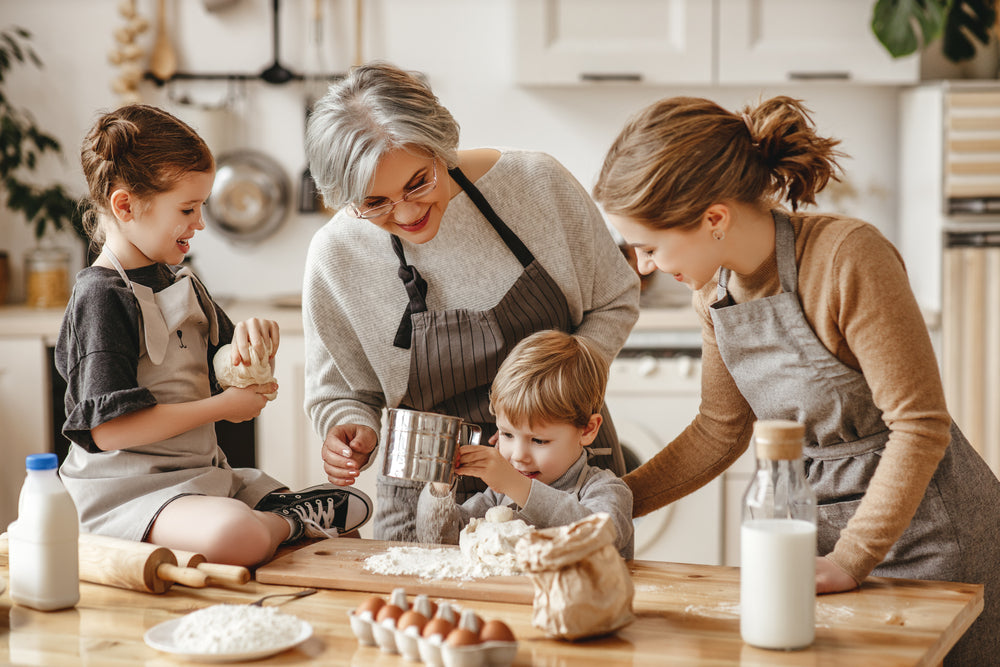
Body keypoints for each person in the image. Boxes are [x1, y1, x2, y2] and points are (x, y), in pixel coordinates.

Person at [592, 95, 1000, 664]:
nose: (642, 267)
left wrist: (851, 558)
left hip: (931, 538)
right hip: (820, 541)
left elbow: (920, 428)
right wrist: (606, 505)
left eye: (650, 247)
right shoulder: (714, 294)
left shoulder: (846, 258)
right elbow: (718, 431)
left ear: (714, 219)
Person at [303, 62, 640, 542]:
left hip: (562, 474)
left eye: (418, 182)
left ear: (441, 146)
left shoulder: (536, 186)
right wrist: (350, 428)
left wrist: (556, 393)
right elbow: (340, 390)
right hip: (426, 489)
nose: (407, 212)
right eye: (374, 204)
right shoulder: (336, 255)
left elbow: (615, 299)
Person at [56, 104, 372, 567]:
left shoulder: (183, 283)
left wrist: (253, 337)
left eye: (201, 205)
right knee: (236, 536)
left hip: (199, 479)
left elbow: (228, 365)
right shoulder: (101, 298)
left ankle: (276, 516)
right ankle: (290, 520)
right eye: (187, 208)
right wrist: (225, 408)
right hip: (125, 495)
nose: (200, 223)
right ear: (125, 206)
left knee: (360, 507)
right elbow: (109, 431)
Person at [416, 330, 634, 559]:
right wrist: (440, 485)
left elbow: (599, 538)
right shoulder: (498, 498)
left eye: (539, 440)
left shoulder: (605, 489)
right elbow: (439, 542)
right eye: (507, 435)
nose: (518, 456)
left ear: (587, 430)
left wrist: (516, 485)